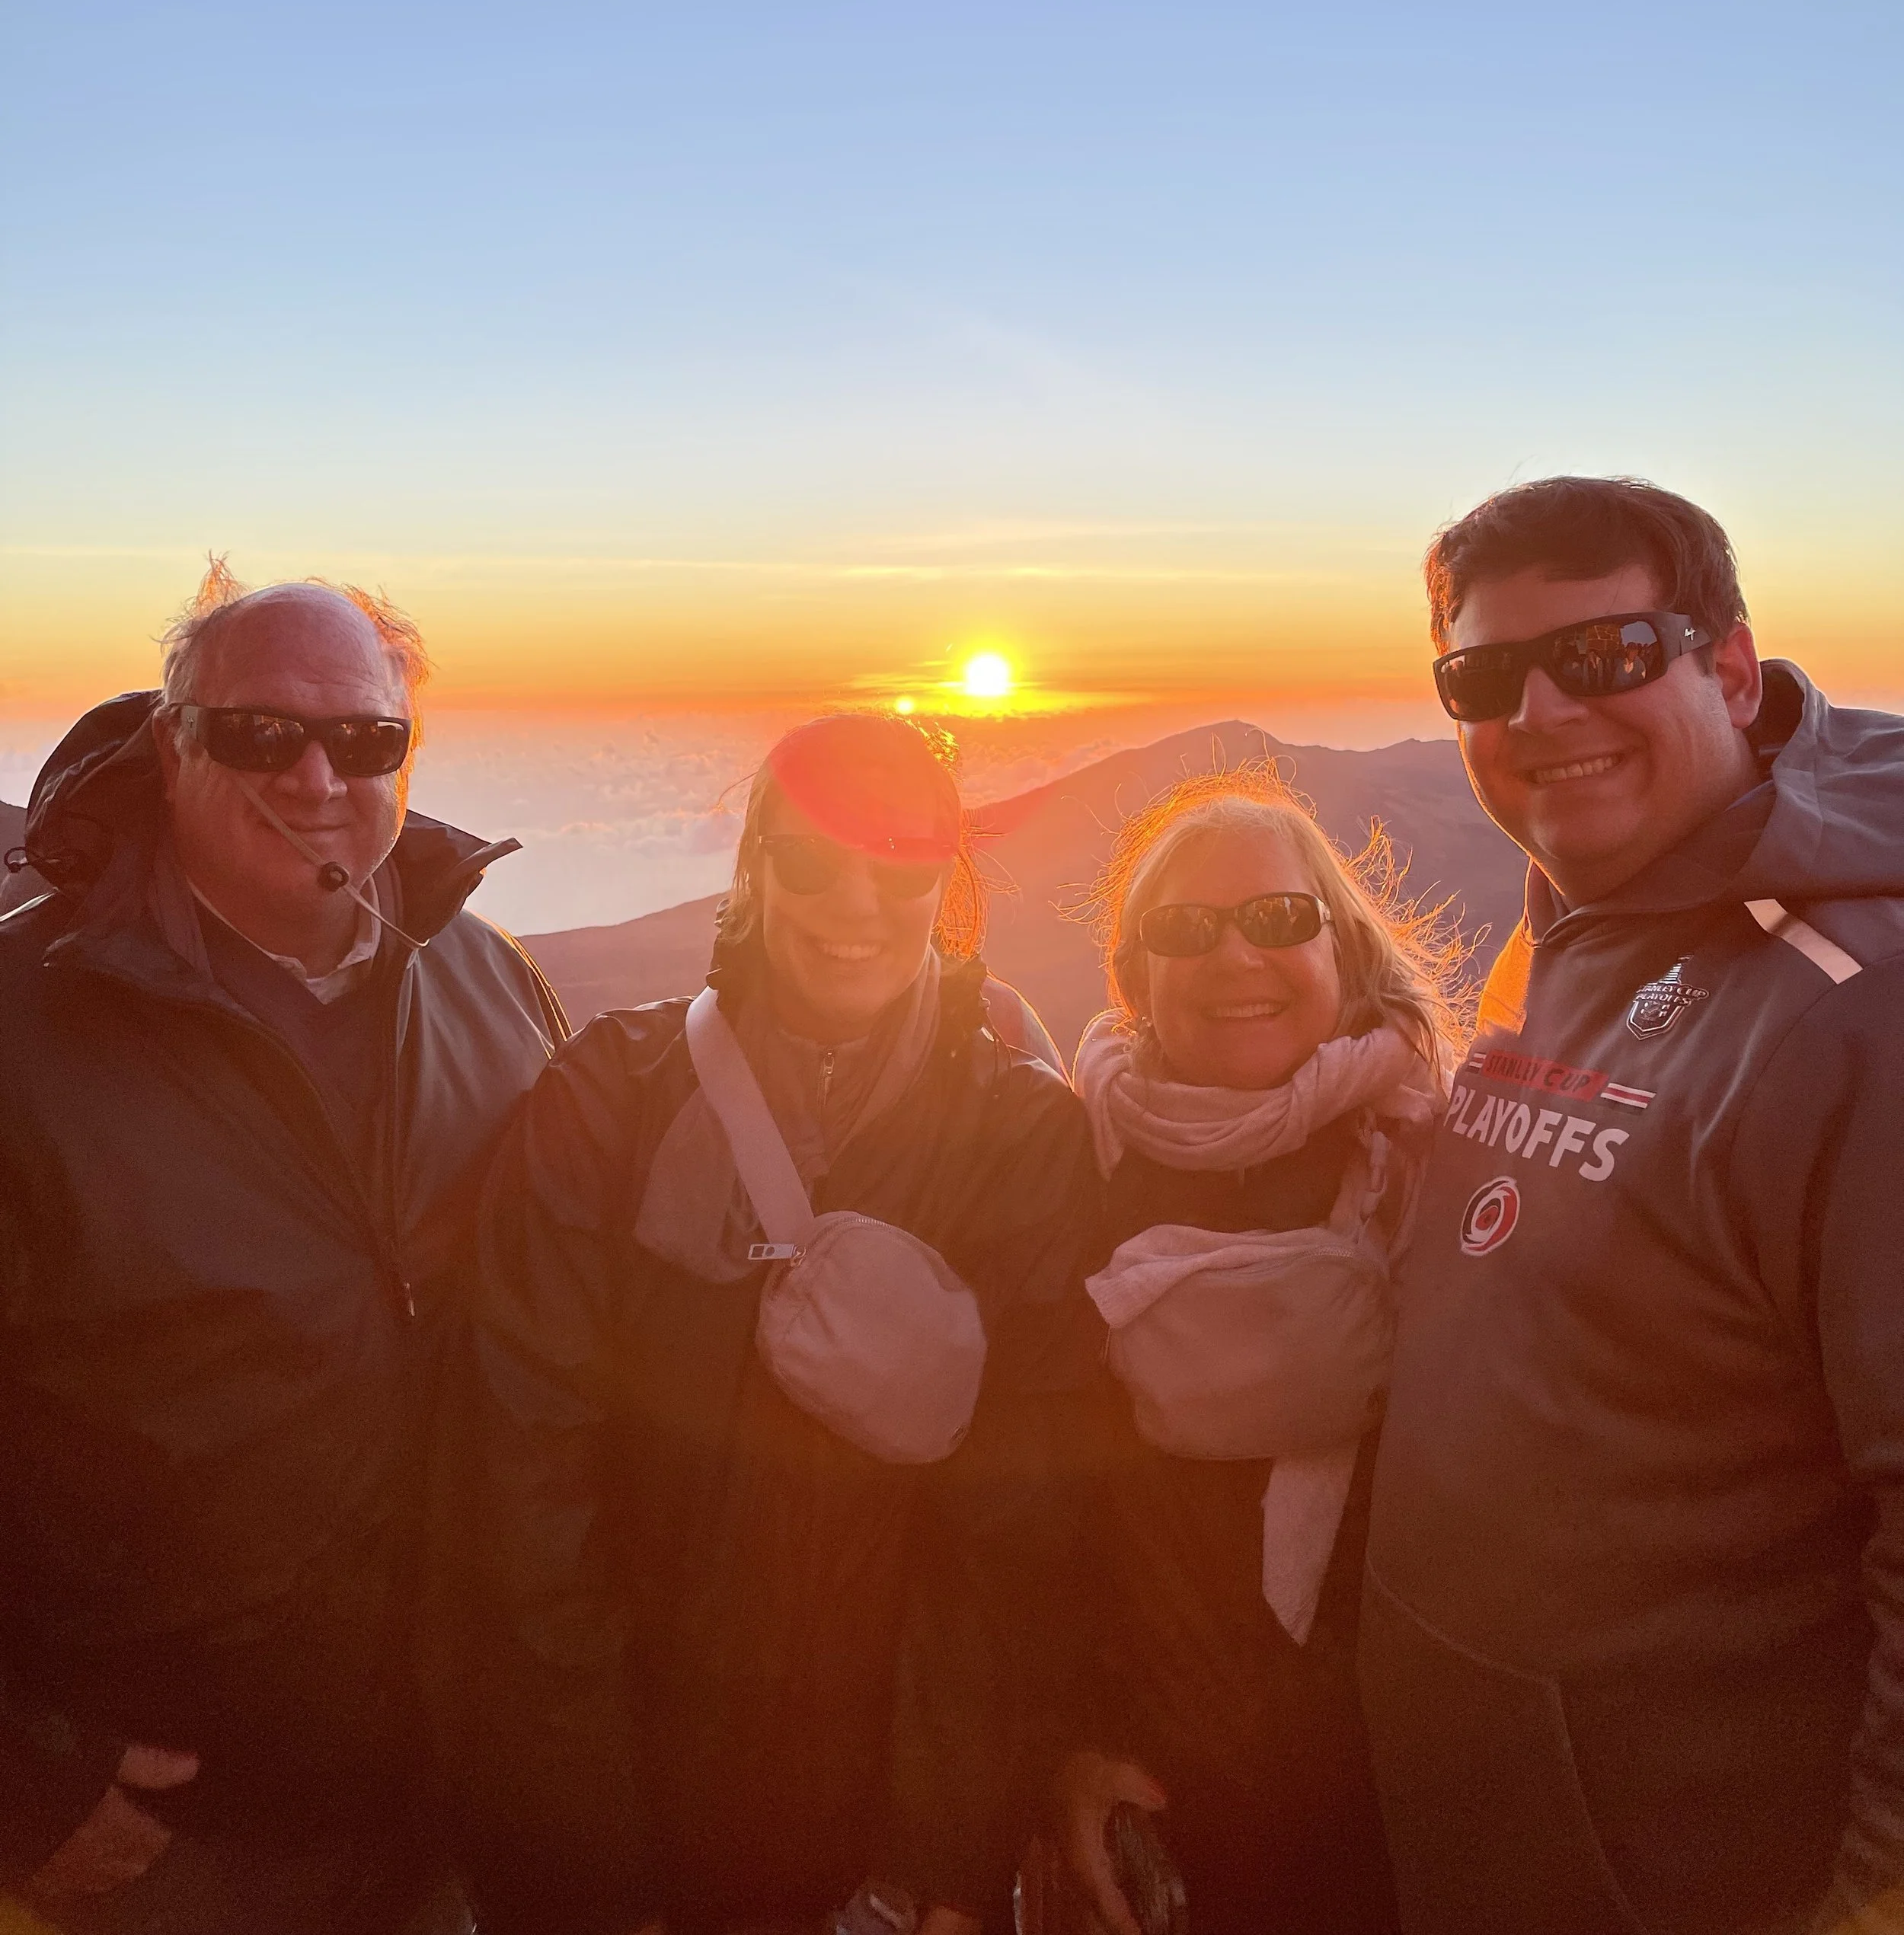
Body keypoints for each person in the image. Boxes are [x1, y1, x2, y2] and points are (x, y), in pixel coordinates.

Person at [439, 710, 1100, 1935]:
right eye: (811, 859)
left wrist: (938, 1867)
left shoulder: (1024, 1139)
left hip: (885, 1831)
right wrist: (592, 1877)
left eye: (903, 861)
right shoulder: (608, 1102)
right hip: (636, 1812)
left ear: (945, 880)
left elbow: (1020, 1534)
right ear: (753, 867)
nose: (856, 898)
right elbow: (530, 1502)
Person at [1361, 474, 1904, 1935]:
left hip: (1695, 1862)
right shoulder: (1572, 923)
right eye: (1484, 674)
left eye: (1604, 657)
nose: (1539, 712)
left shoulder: (1862, 1009)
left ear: (1728, 667)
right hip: (1503, 1830)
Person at [0, 564, 564, 1935]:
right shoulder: (27, 1026)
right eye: (261, 734)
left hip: (446, 1792)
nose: (318, 777)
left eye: (366, 741)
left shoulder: (489, 984)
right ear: (171, 745)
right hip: (167, 1833)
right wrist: (28, 1777)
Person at [1044, 765, 1458, 1935]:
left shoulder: (1450, 1173)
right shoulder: (1070, 1172)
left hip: (1420, 1805)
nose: (1235, 960)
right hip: (1173, 1806)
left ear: (1344, 949)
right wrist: (1066, 1745)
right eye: (1186, 929)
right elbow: (1027, 1497)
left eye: (1278, 919)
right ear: (1134, 978)